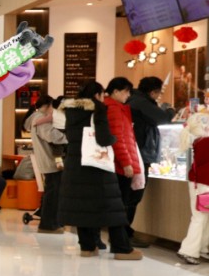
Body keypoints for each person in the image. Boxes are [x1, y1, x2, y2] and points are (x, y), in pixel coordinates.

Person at [56, 81, 142, 259]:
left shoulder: (70, 111)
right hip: (96, 166)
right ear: (97, 95)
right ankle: (122, 249)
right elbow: (103, 139)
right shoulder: (98, 109)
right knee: (112, 207)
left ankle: (87, 247)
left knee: (83, 207)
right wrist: (113, 138)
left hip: (75, 165)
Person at [127, 76, 176, 244]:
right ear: (153, 92)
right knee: (133, 196)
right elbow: (164, 118)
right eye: (158, 93)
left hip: (134, 153)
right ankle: (124, 235)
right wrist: (169, 110)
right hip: (138, 154)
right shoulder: (142, 103)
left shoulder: (134, 100)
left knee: (130, 196)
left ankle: (123, 233)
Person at [103, 77, 146, 234]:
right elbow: (118, 139)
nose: (128, 95)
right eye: (126, 91)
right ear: (115, 91)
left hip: (119, 162)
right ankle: (120, 238)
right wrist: (126, 163)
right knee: (121, 203)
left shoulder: (116, 107)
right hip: (120, 164)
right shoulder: (114, 109)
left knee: (120, 202)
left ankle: (120, 237)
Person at [25, 95, 66, 233]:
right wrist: (71, 138)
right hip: (51, 161)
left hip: (48, 160)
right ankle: (48, 225)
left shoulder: (36, 118)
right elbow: (52, 136)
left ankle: (50, 223)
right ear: (48, 105)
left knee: (51, 192)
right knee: (53, 193)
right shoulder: (40, 118)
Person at [177, 109, 209, 264]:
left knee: (204, 217)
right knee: (200, 217)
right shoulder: (205, 142)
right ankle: (188, 250)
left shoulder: (200, 141)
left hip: (200, 182)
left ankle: (202, 248)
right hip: (203, 183)